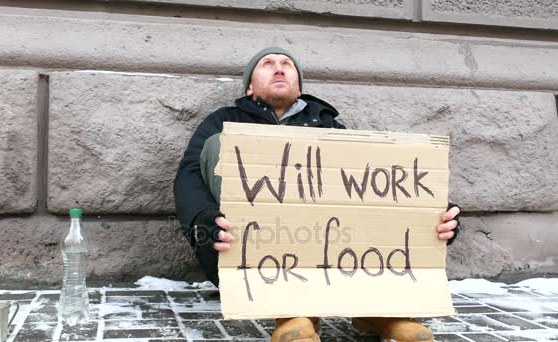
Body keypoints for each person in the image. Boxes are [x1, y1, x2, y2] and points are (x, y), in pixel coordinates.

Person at [173, 47, 461, 342]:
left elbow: (376, 193)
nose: (279, 68)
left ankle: (379, 311)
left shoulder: (327, 125)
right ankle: (292, 311)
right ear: (249, 86)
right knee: (219, 145)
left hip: (331, 252)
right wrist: (203, 220)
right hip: (248, 250)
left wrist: (432, 211)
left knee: (360, 180)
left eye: (287, 64)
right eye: (267, 64)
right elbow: (189, 177)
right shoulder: (222, 120)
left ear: (298, 86)